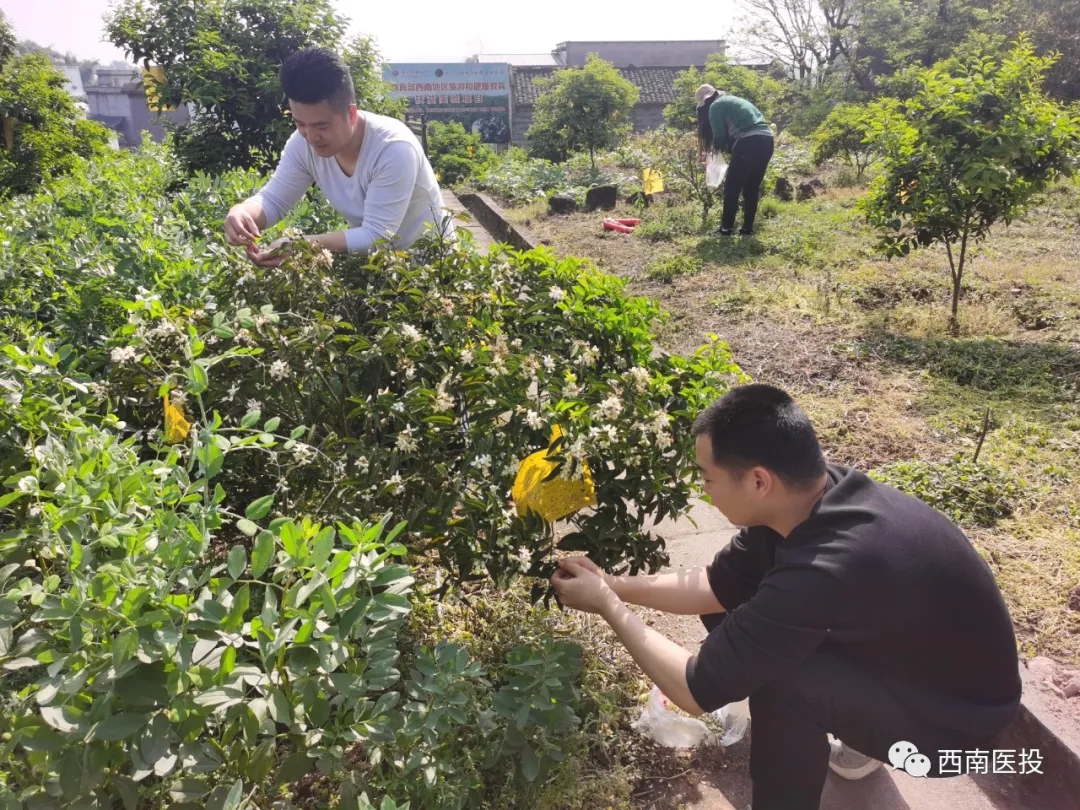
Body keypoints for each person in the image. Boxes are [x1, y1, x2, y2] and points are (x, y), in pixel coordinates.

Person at [550, 383, 1022, 810]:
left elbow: (694, 691)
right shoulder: (807, 499)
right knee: (742, 620)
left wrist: (607, 606)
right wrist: (612, 583)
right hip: (922, 673)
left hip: (958, 730)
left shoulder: (826, 566)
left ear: (758, 481)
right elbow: (714, 587)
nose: (703, 490)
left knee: (785, 683)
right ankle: (862, 733)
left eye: (707, 477)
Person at [224, 47, 450, 267]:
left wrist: (300, 245)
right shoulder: (302, 143)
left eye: (321, 125)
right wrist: (243, 213)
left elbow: (377, 236)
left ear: (351, 114)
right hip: (379, 267)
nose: (311, 137)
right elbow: (274, 200)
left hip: (434, 267)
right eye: (299, 123)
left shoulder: (393, 148)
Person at [696, 84, 775, 237]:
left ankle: (726, 229)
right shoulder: (734, 101)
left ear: (705, 100)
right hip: (768, 140)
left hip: (749, 141)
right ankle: (747, 229)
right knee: (751, 187)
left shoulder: (716, 106)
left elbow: (719, 137)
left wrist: (714, 150)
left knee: (732, 187)